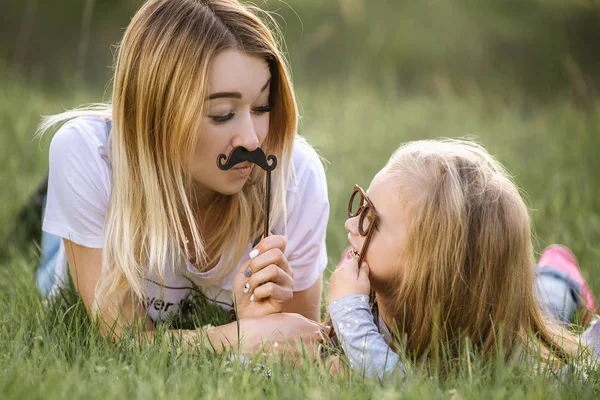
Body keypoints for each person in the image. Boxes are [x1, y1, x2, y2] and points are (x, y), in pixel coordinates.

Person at [36, 0, 329, 352]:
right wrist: (239, 338)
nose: (252, 140)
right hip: (110, 193)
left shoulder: (296, 177)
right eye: (222, 114)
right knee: (56, 232)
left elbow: (300, 339)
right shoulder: (85, 153)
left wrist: (266, 321)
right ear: (158, 113)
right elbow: (124, 339)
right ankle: (47, 204)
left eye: (261, 106)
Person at [325, 139, 599, 379]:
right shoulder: (362, 292)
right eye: (361, 204)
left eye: (370, 219)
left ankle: (560, 272)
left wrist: (349, 313)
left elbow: (412, 387)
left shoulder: (505, 354)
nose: (350, 223)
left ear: (427, 266)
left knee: (549, 299)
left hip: (530, 305)